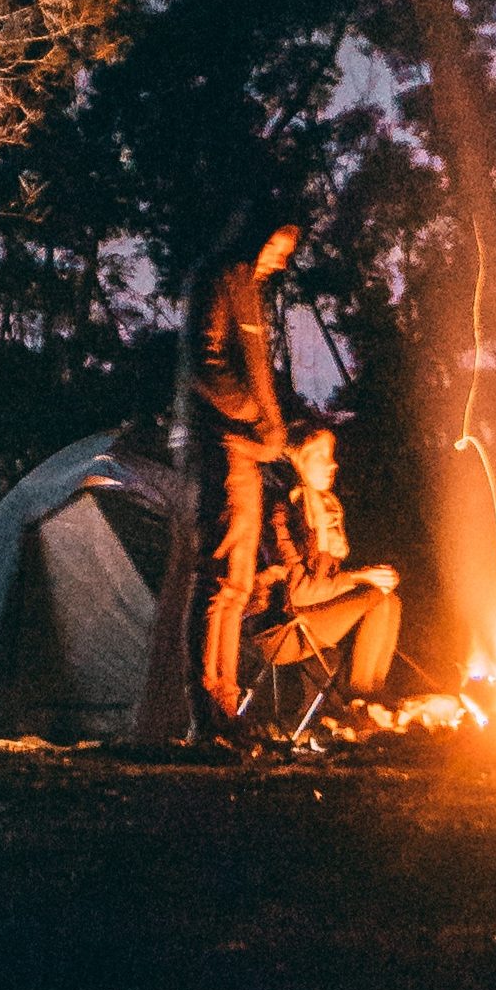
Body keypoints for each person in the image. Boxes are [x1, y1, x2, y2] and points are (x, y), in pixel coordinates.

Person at [192, 218, 303, 713]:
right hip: (228, 446)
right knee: (224, 583)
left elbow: (258, 371)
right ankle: (207, 700)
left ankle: (227, 701)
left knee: (239, 584)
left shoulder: (250, 291)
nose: (282, 259)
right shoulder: (225, 282)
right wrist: (254, 415)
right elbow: (207, 362)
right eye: (279, 246)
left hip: (249, 448)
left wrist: (275, 428)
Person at [259, 428, 402, 696]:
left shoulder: (323, 512)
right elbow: (299, 593)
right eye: (321, 455)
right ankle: (360, 697)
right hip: (283, 628)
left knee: (388, 599)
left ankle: (374, 693)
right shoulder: (283, 513)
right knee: (374, 597)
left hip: (311, 617)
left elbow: (324, 585)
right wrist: (359, 577)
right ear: (299, 460)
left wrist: (368, 577)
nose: (332, 463)